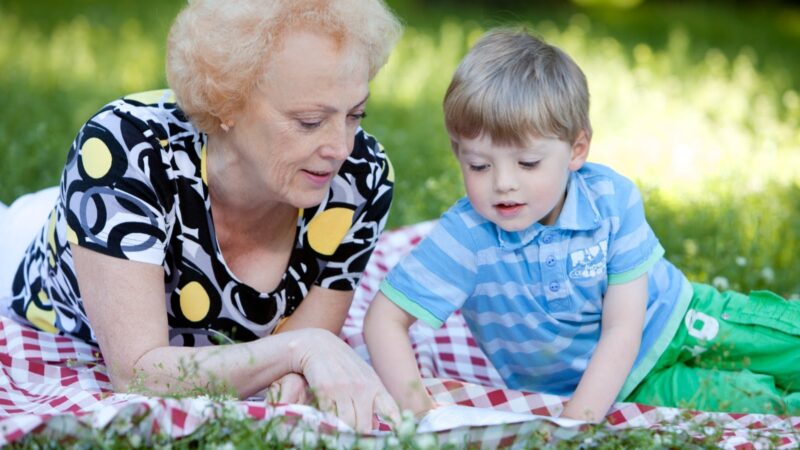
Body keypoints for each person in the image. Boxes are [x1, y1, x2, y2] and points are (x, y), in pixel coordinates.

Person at [1, 0, 402, 432]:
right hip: (39, 253)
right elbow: (138, 372)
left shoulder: (361, 176)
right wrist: (298, 351)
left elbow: (300, 360)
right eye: (309, 121)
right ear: (226, 103)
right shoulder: (125, 149)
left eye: (356, 115)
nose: (340, 147)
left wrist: (300, 357)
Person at [364, 28, 800, 422]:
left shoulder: (610, 200)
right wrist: (422, 417)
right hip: (625, 388)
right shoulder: (467, 236)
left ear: (576, 150)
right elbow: (383, 319)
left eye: (528, 162)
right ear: (458, 152)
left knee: (786, 345)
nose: (503, 184)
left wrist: (576, 421)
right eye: (478, 166)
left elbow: (622, 327)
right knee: (757, 406)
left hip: (681, 319)